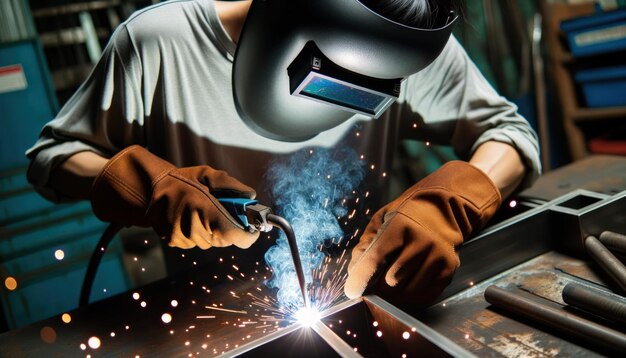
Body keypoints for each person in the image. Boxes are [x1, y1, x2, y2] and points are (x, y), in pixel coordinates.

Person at [26, 0, 540, 307]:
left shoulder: (409, 49)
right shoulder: (157, 44)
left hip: (359, 297)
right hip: (207, 311)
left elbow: (508, 133)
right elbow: (55, 156)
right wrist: (146, 186)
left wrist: (448, 204)